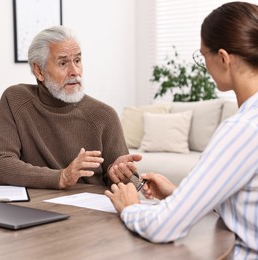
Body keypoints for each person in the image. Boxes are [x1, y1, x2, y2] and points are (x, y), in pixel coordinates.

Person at [105, 2, 258, 259]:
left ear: (223, 58)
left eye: (203, 56)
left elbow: (164, 227)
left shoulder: (243, 129)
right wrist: (179, 194)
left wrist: (129, 207)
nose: (205, 66)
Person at [0, 25, 141, 189]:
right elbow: (0, 165)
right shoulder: (15, 99)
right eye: (63, 63)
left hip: (88, 211)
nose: (75, 71)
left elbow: (134, 184)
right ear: (39, 70)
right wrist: (60, 177)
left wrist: (121, 175)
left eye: (77, 60)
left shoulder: (104, 115)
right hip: (34, 209)